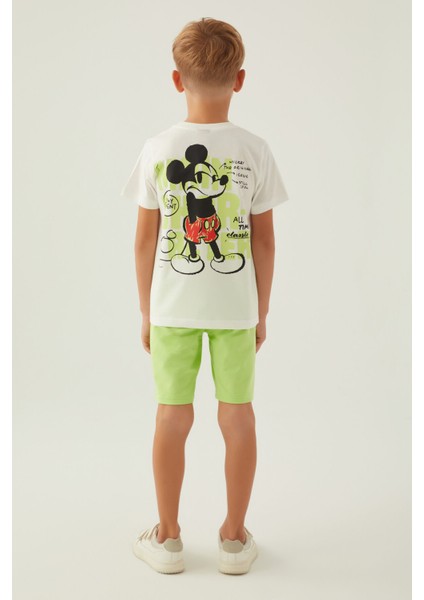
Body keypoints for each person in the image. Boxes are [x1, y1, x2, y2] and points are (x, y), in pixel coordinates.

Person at [120, 17, 289, 575]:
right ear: (240, 79)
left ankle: (167, 537)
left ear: (176, 80)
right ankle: (234, 540)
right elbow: (264, 242)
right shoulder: (255, 150)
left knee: (172, 416)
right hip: (235, 310)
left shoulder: (157, 148)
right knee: (238, 417)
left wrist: (147, 311)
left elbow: (144, 241)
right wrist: (261, 311)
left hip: (172, 308)